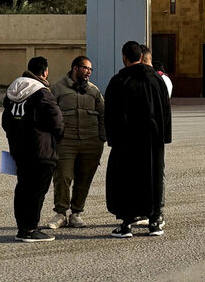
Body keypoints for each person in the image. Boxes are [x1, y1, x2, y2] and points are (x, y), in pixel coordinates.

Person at [104, 41, 172, 238]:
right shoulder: (156, 80)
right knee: (154, 177)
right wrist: (165, 137)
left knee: (126, 179)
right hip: (154, 140)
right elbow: (165, 111)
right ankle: (155, 222)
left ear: (124, 57)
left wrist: (112, 139)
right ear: (141, 57)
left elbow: (111, 114)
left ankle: (126, 224)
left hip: (126, 141)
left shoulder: (119, 81)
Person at [1, 57, 64, 242]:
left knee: (23, 189)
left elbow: (6, 122)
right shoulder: (41, 92)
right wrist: (55, 140)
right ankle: (31, 230)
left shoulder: (12, 91)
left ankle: (22, 228)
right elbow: (57, 120)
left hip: (19, 150)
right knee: (36, 192)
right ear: (44, 72)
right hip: (41, 151)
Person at [46, 56, 105, 230]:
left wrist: (102, 138)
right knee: (62, 177)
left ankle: (76, 213)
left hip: (91, 142)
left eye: (90, 69)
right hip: (66, 142)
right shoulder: (57, 89)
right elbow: (49, 115)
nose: (88, 72)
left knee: (84, 178)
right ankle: (60, 213)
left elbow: (103, 115)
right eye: (85, 68)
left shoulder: (94, 91)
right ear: (74, 68)